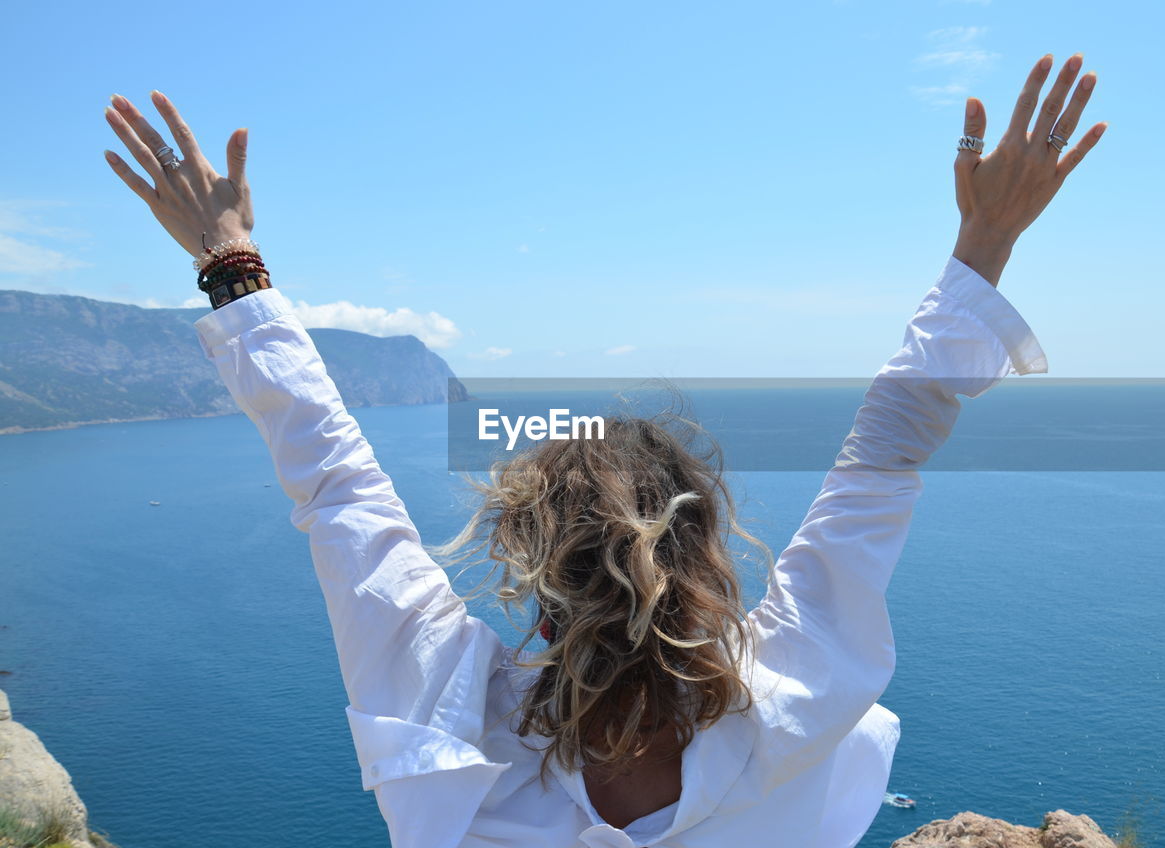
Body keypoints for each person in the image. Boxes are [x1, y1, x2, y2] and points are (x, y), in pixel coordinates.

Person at [102, 50, 1105, 848]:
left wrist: (229, 257)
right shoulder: (790, 700)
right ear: (703, 552)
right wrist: (982, 244)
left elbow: (333, 479)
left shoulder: (450, 723)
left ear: (532, 574)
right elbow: (883, 453)